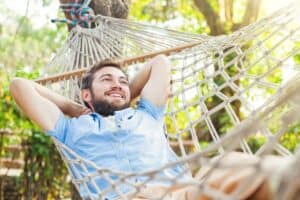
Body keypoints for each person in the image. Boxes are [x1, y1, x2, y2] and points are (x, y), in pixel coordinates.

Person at [10, 55, 281, 200]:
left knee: (232, 163)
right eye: (106, 79)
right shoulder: (70, 129)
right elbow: (19, 85)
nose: (117, 83)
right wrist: (75, 108)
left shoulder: (147, 114)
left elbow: (160, 63)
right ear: (86, 95)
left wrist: (123, 94)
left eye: (123, 80)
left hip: (177, 194)